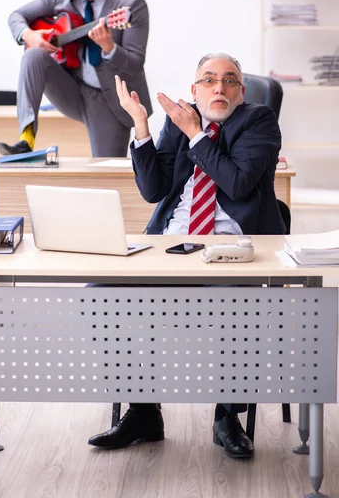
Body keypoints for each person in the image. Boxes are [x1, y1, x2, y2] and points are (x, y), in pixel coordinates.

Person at [87, 52, 286, 457]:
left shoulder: (258, 121)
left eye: (230, 81)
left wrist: (196, 132)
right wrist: (142, 125)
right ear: (194, 91)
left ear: (242, 93)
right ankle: (143, 411)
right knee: (102, 293)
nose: (219, 87)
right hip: (172, 245)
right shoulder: (179, 121)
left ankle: (227, 417)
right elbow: (153, 190)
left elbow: (239, 183)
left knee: (239, 302)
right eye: (209, 80)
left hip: (233, 251)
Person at [0, 0, 152, 158]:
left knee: (106, 172)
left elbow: (135, 63)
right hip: (72, 88)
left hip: (109, 100)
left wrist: (110, 47)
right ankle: (27, 139)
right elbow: (16, 17)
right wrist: (30, 36)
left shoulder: (131, 4)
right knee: (33, 55)